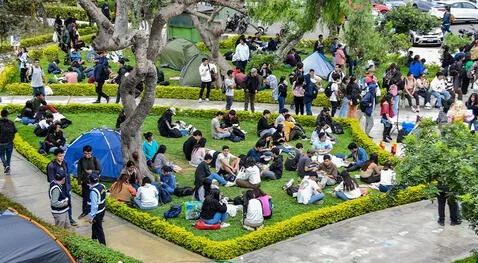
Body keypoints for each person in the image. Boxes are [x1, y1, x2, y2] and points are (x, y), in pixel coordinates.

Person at [47, 149, 77, 226]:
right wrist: (58, 184)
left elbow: (67, 176)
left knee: (68, 203)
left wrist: (69, 187)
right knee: (60, 204)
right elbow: (51, 180)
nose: (62, 157)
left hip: (66, 188)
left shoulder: (65, 162)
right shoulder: (51, 166)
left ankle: (69, 218)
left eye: (63, 155)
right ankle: (60, 220)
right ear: (55, 156)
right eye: (60, 156)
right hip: (58, 189)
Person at [77, 145, 101, 219]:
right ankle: (85, 212)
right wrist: (79, 183)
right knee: (85, 198)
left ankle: (97, 213)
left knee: (96, 199)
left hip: (94, 183)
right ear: (83, 153)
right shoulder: (81, 160)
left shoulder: (95, 159)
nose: (87, 155)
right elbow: (79, 172)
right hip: (85, 182)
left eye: (89, 153)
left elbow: (99, 170)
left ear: (91, 152)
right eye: (85, 153)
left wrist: (92, 171)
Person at [87, 173, 106, 245]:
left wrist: (91, 217)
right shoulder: (102, 186)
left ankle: (103, 245)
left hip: (97, 213)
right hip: (102, 210)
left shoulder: (93, 192)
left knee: (98, 229)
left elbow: (94, 206)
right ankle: (93, 239)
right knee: (95, 226)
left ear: (90, 181)